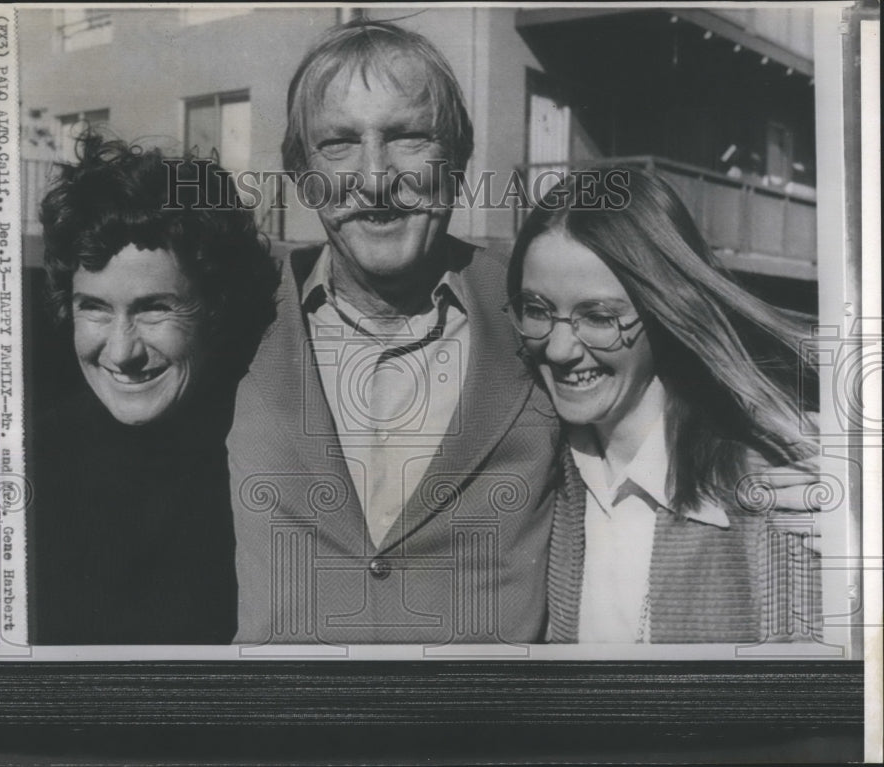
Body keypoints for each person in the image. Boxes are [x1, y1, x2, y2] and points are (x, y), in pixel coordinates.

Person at [227, 20, 581, 644]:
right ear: (302, 174)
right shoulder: (239, 316)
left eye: (409, 137)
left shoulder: (537, 311)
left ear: (459, 160)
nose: (375, 177)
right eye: (338, 143)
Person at [505, 168, 821, 643]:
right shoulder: (535, 471)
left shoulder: (780, 496)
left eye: (599, 317)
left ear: (665, 311)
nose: (559, 349)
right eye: (537, 310)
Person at [30, 133, 278, 644]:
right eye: (94, 308)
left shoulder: (267, 460)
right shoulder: (29, 462)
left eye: (154, 309)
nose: (122, 352)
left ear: (216, 309)